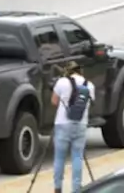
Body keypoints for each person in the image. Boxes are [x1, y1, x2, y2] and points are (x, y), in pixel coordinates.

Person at [50, 61, 95, 193]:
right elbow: (90, 103)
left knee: (59, 157)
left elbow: (54, 101)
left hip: (62, 124)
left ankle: (58, 188)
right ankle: (76, 189)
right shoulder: (89, 85)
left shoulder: (62, 82)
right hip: (81, 124)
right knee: (77, 157)